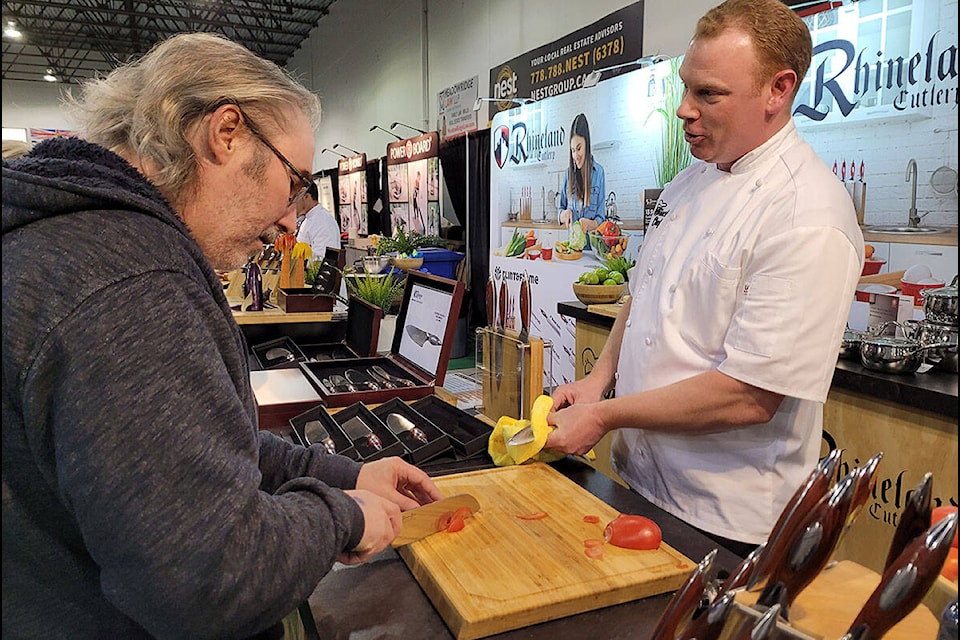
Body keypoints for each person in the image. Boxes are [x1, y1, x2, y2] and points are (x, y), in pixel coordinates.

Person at [2, 32, 442, 639]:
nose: (292, 218)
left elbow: (202, 446)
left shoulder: (87, 242)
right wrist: (341, 517)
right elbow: (207, 581)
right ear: (226, 132)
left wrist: (348, 474)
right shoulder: (132, 280)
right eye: (293, 183)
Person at [544, 0, 864, 557]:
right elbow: (642, 294)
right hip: (641, 484)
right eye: (685, 88)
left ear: (778, 90)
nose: (683, 111)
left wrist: (605, 413)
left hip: (727, 521)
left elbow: (747, 396)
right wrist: (600, 378)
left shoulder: (807, 215)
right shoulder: (687, 183)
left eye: (708, 94)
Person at [557, 113, 605, 234]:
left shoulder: (599, 173)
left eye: (579, 148)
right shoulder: (568, 174)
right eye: (573, 150)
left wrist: (591, 224)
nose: (575, 156)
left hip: (592, 248)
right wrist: (564, 215)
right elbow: (560, 209)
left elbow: (601, 217)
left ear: (587, 145)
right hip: (572, 249)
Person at [296, 181, 341, 259]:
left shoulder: (324, 222)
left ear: (306, 197)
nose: (293, 202)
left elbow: (322, 259)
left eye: (296, 198)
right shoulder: (307, 219)